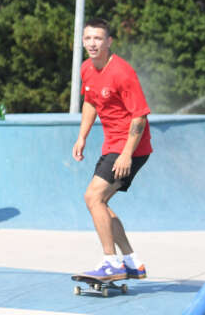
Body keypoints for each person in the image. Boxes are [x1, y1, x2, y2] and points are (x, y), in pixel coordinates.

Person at [72, 17, 151, 282]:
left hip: (131, 146)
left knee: (92, 197)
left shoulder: (122, 72)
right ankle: (131, 261)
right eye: (88, 38)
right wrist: (82, 137)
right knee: (100, 203)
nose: (92, 43)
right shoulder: (86, 68)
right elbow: (90, 102)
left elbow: (139, 116)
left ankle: (111, 262)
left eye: (98, 38)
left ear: (109, 42)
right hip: (112, 144)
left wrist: (127, 154)